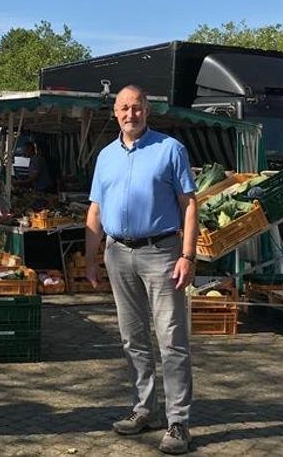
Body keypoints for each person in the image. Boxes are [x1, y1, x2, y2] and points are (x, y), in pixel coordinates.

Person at [85, 84, 198, 455]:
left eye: (136, 107)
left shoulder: (170, 149)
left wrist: (187, 255)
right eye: (123, 108)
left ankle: (178, 421)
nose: (130, 114)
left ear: (146, 111)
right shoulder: (105, 156)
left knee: (171, 339)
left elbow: (189, 203)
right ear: (114, 112)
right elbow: (96, 210)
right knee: (132, 338)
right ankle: (143, 408)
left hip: (162, 253)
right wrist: (91, 257)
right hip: (118, 254)